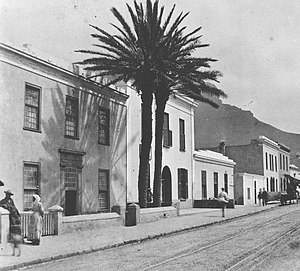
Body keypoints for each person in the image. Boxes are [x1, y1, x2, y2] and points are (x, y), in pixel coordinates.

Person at [0, 190, 22, 256]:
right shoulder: (3, 201)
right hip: (8, 216)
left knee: (15, 228)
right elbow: (2, 205)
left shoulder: (11, 201)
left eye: (9, 195)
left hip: (13, 216)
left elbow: (14, 207)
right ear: (6, 194)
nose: (8, 196)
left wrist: (17, 213)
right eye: (7, 194)